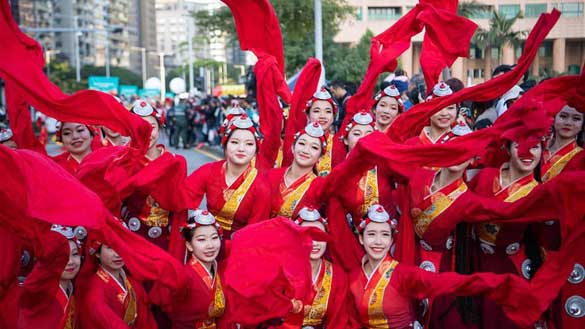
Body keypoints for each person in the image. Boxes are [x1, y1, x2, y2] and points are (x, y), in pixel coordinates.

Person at [471, 139, 543, 329]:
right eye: (520, 145)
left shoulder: (540, 193)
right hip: (473, 260)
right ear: (508, 149)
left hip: (510, 268)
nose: (528, 153)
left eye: (535, 147)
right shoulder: (486, 176)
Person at [180, 115, 271, 239]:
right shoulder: (209, 171)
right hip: (208, 241)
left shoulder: (262, 185)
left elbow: (256, 232)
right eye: (234, 142)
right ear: (225, 145)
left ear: (256, 149)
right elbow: (181, 198)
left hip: (240, 246)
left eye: (249, 144)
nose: (241, 149)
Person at [121, 100, 187, 255]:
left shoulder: (176, 162)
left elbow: (180, 210)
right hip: (131, 238)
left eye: (151, 128)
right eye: (139, 128)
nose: (146, 134)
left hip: (165, 238)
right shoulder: (122, 161)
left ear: (160, 129)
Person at [279, 207, 349, 328]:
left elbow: (338, 321)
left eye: (320, 236)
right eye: (308, 235)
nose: (315, 243)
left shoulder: (337, 275)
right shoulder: (281, 271)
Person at [17, 225, 81, 329]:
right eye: (61, 256)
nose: (70, 262)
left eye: (74, 254)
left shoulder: (71, 291)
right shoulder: (38, 293)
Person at [79, 240, 154, 328]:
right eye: (110, 248)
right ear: (97, 253)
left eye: (120, 245)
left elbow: (146, 321)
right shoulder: (95, 289)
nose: (117, 254)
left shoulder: (134, 284)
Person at [267, 122, 328, 219]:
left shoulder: (320, 186)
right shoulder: (271, 175)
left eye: (314, 147)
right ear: (292, 147)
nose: (306, 150)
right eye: (302, 143)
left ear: (320, 157)